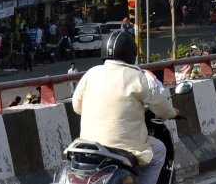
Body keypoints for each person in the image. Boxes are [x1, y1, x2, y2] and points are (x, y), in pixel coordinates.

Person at [73, 30, 178, 184]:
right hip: (125, 147)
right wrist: (172, 113)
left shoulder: (91, 73)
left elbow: (77, 107)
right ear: (131, 53)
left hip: (89, 146)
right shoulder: (138, 76)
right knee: (160, 150)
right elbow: (160, 106)